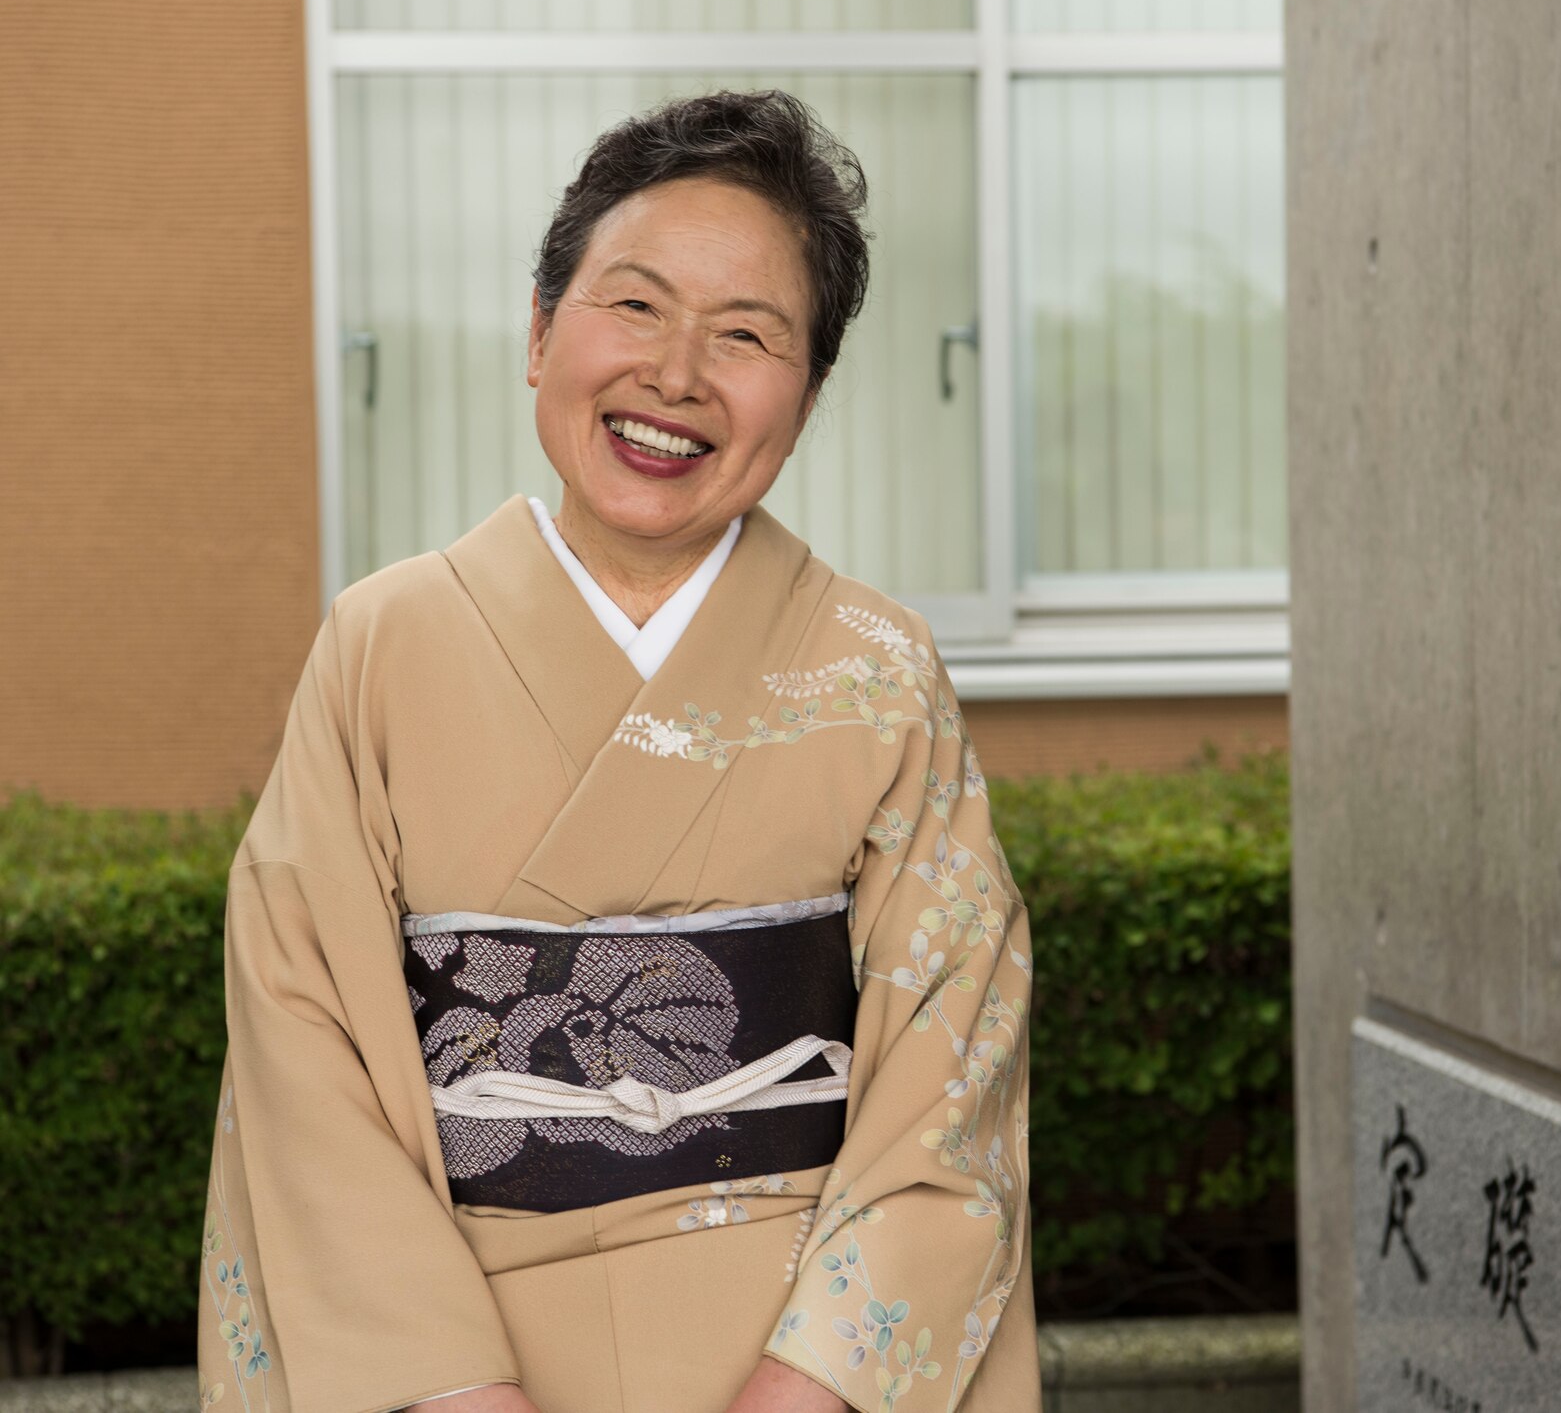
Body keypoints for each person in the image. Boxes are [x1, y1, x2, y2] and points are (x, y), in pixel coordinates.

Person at [196, 90, 1035, 1413]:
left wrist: (806, 1389)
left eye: (748, 335)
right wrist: (455, 1394)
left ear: (805, 398)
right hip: (460, 1347)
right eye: (633, 306)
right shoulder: (380, 647)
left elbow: (953, 1063)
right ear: (539, 333)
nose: (678, 374)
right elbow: (307, 1055)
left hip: (794, 1345)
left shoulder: (878, 675)